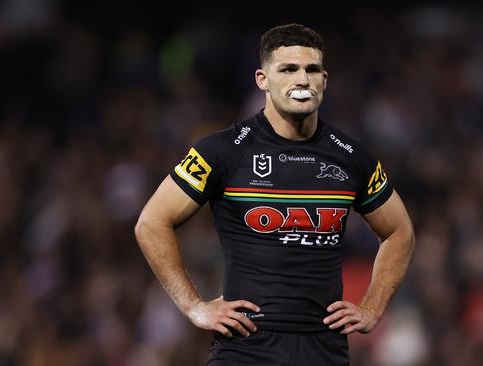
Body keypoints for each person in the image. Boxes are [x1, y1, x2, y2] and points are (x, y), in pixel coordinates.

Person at [134, 23, 415, 365]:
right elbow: (151, 222)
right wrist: (194, 306)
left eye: (312, 70)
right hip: (245, 349)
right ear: (262, 79)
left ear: (324, 81)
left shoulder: (352, 157)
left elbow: (400, 231)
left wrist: (372, 306)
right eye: (288, 69)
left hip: (323, 349)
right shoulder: (222, 151)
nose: (302, 79)